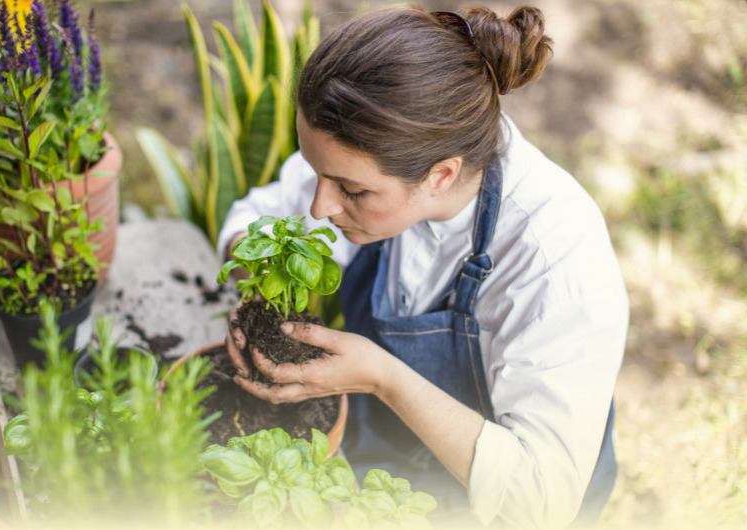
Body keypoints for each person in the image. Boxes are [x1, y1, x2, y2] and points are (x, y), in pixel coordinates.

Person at [217, 5, 629, 528]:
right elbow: (255, 218)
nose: (320, 207)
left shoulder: (555, 259)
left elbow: (540, 498)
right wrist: (257, 283)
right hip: (381, 464)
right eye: (316, 170)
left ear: (440, 176)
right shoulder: (369, 156)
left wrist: (383, 377)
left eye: (352, 190)